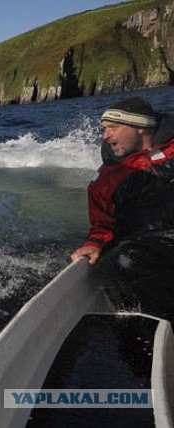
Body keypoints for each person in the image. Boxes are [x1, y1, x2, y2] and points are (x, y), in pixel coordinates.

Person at [71, 96, 174, 319]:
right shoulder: (106, 180)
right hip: (153, 245)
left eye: (113, 128)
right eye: (104, 129)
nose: (106, 136)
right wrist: (94, 243)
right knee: (121, 262)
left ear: (140, 128)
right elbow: (103, 224)